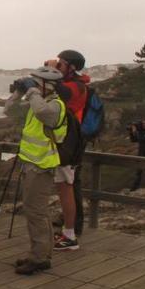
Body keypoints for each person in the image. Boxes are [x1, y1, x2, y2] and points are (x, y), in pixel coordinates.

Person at [3, 66, 68, 275]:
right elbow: (9, 110)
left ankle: (40, 257)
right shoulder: (36, 102)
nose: (33, 86)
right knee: (35, 211)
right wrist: (19, 92)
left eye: (36, 83)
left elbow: (43, 114)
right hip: (32, 164)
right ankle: (40, 253)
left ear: (47, 86)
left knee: (36, 211)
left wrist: (32, 92)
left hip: (42, 166)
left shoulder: (56, 106)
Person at [45, 49, 90, 251]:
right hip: (65, 142)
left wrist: (49, 71)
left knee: (66, 187)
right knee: (66, 186)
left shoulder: (77, 87)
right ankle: (68, 231)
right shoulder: (73, 84)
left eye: (61, 64)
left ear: (71, 67)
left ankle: (70, 235)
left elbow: (57, 91)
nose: (58, 67)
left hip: (68, 143)